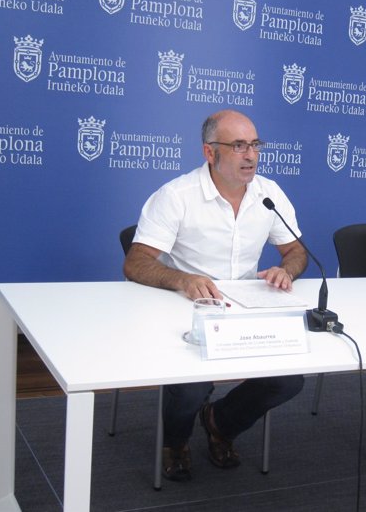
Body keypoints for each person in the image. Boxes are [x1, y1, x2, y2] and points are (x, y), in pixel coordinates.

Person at [124, 109, 308, 481]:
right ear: (210, 152)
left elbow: (297, 251)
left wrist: (285, 269)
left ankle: (220, 423)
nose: (251, 155)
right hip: (187, 308)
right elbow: (136, 263)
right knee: (191, 385)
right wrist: (182, 279)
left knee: (289, 379)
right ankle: (175, 442)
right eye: (239, 146)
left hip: (245, 308)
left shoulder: (268, 194)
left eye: (255, 145)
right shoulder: (177, 196)